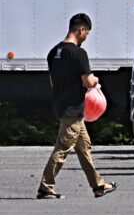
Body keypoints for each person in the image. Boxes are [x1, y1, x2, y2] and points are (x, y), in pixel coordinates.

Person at [37, 13, 117, 199]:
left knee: (84, 148)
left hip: (62, 105)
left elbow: (54, 80)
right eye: (86, 33)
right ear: (81, 29)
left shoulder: (53, 52)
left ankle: (98, 186)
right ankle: (45, 187)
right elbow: (88, 82)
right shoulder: (78, 53)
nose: (86, 37)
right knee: (62, 148)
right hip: (73, 109)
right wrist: (96, 79)